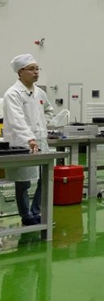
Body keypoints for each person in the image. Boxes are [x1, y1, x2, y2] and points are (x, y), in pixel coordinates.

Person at [2, 54, 54, 226]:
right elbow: (16, 120)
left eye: (37, 68)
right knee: (23, 182)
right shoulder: (13, 94)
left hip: (41, 142)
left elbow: (49, 111)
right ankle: (26, 216)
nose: (36, 72)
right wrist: (30, 137)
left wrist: (41, 126)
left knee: (43, 179)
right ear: (20, 72)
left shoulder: (40, 92)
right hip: (22, 144)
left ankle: (36, 210)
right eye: (31, 69)